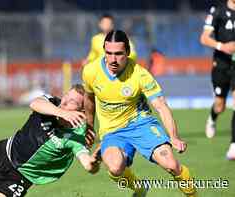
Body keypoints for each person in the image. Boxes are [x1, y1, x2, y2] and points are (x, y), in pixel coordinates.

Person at [82, 30, 197, 197]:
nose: (113, 59)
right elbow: (89, 99)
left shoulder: (140, 74)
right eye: (109, 53)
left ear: (128, 52)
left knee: (171, 164)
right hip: (112, 131)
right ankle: (140, 189)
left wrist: (174, 136)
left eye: (119, 54)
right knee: (115, 168)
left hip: (141, 123)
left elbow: (161, 106)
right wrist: (90, 126)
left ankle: (193, 195)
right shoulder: (90, 71)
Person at [199, 0, 235, 160]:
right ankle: (212, 119)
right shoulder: (218, 10)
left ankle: (233, 146)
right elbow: (204, 38)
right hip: (221, 64)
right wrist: (222, 46)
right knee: (220, 106)